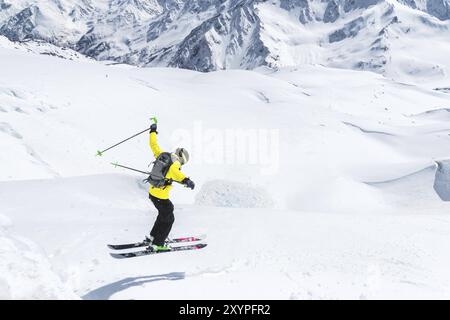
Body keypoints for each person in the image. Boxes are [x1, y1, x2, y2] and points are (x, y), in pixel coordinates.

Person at [145, 121, 195, 252]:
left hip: (152, 192)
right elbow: (175, 171)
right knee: (169, 218)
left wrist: (153, 131)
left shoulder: (163, 155)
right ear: (182, 159)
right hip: (161, 196)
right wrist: (186, 180)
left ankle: (153, 237)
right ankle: (158, 243)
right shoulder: (175, 163)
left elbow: (153, 144)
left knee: (164, 213)